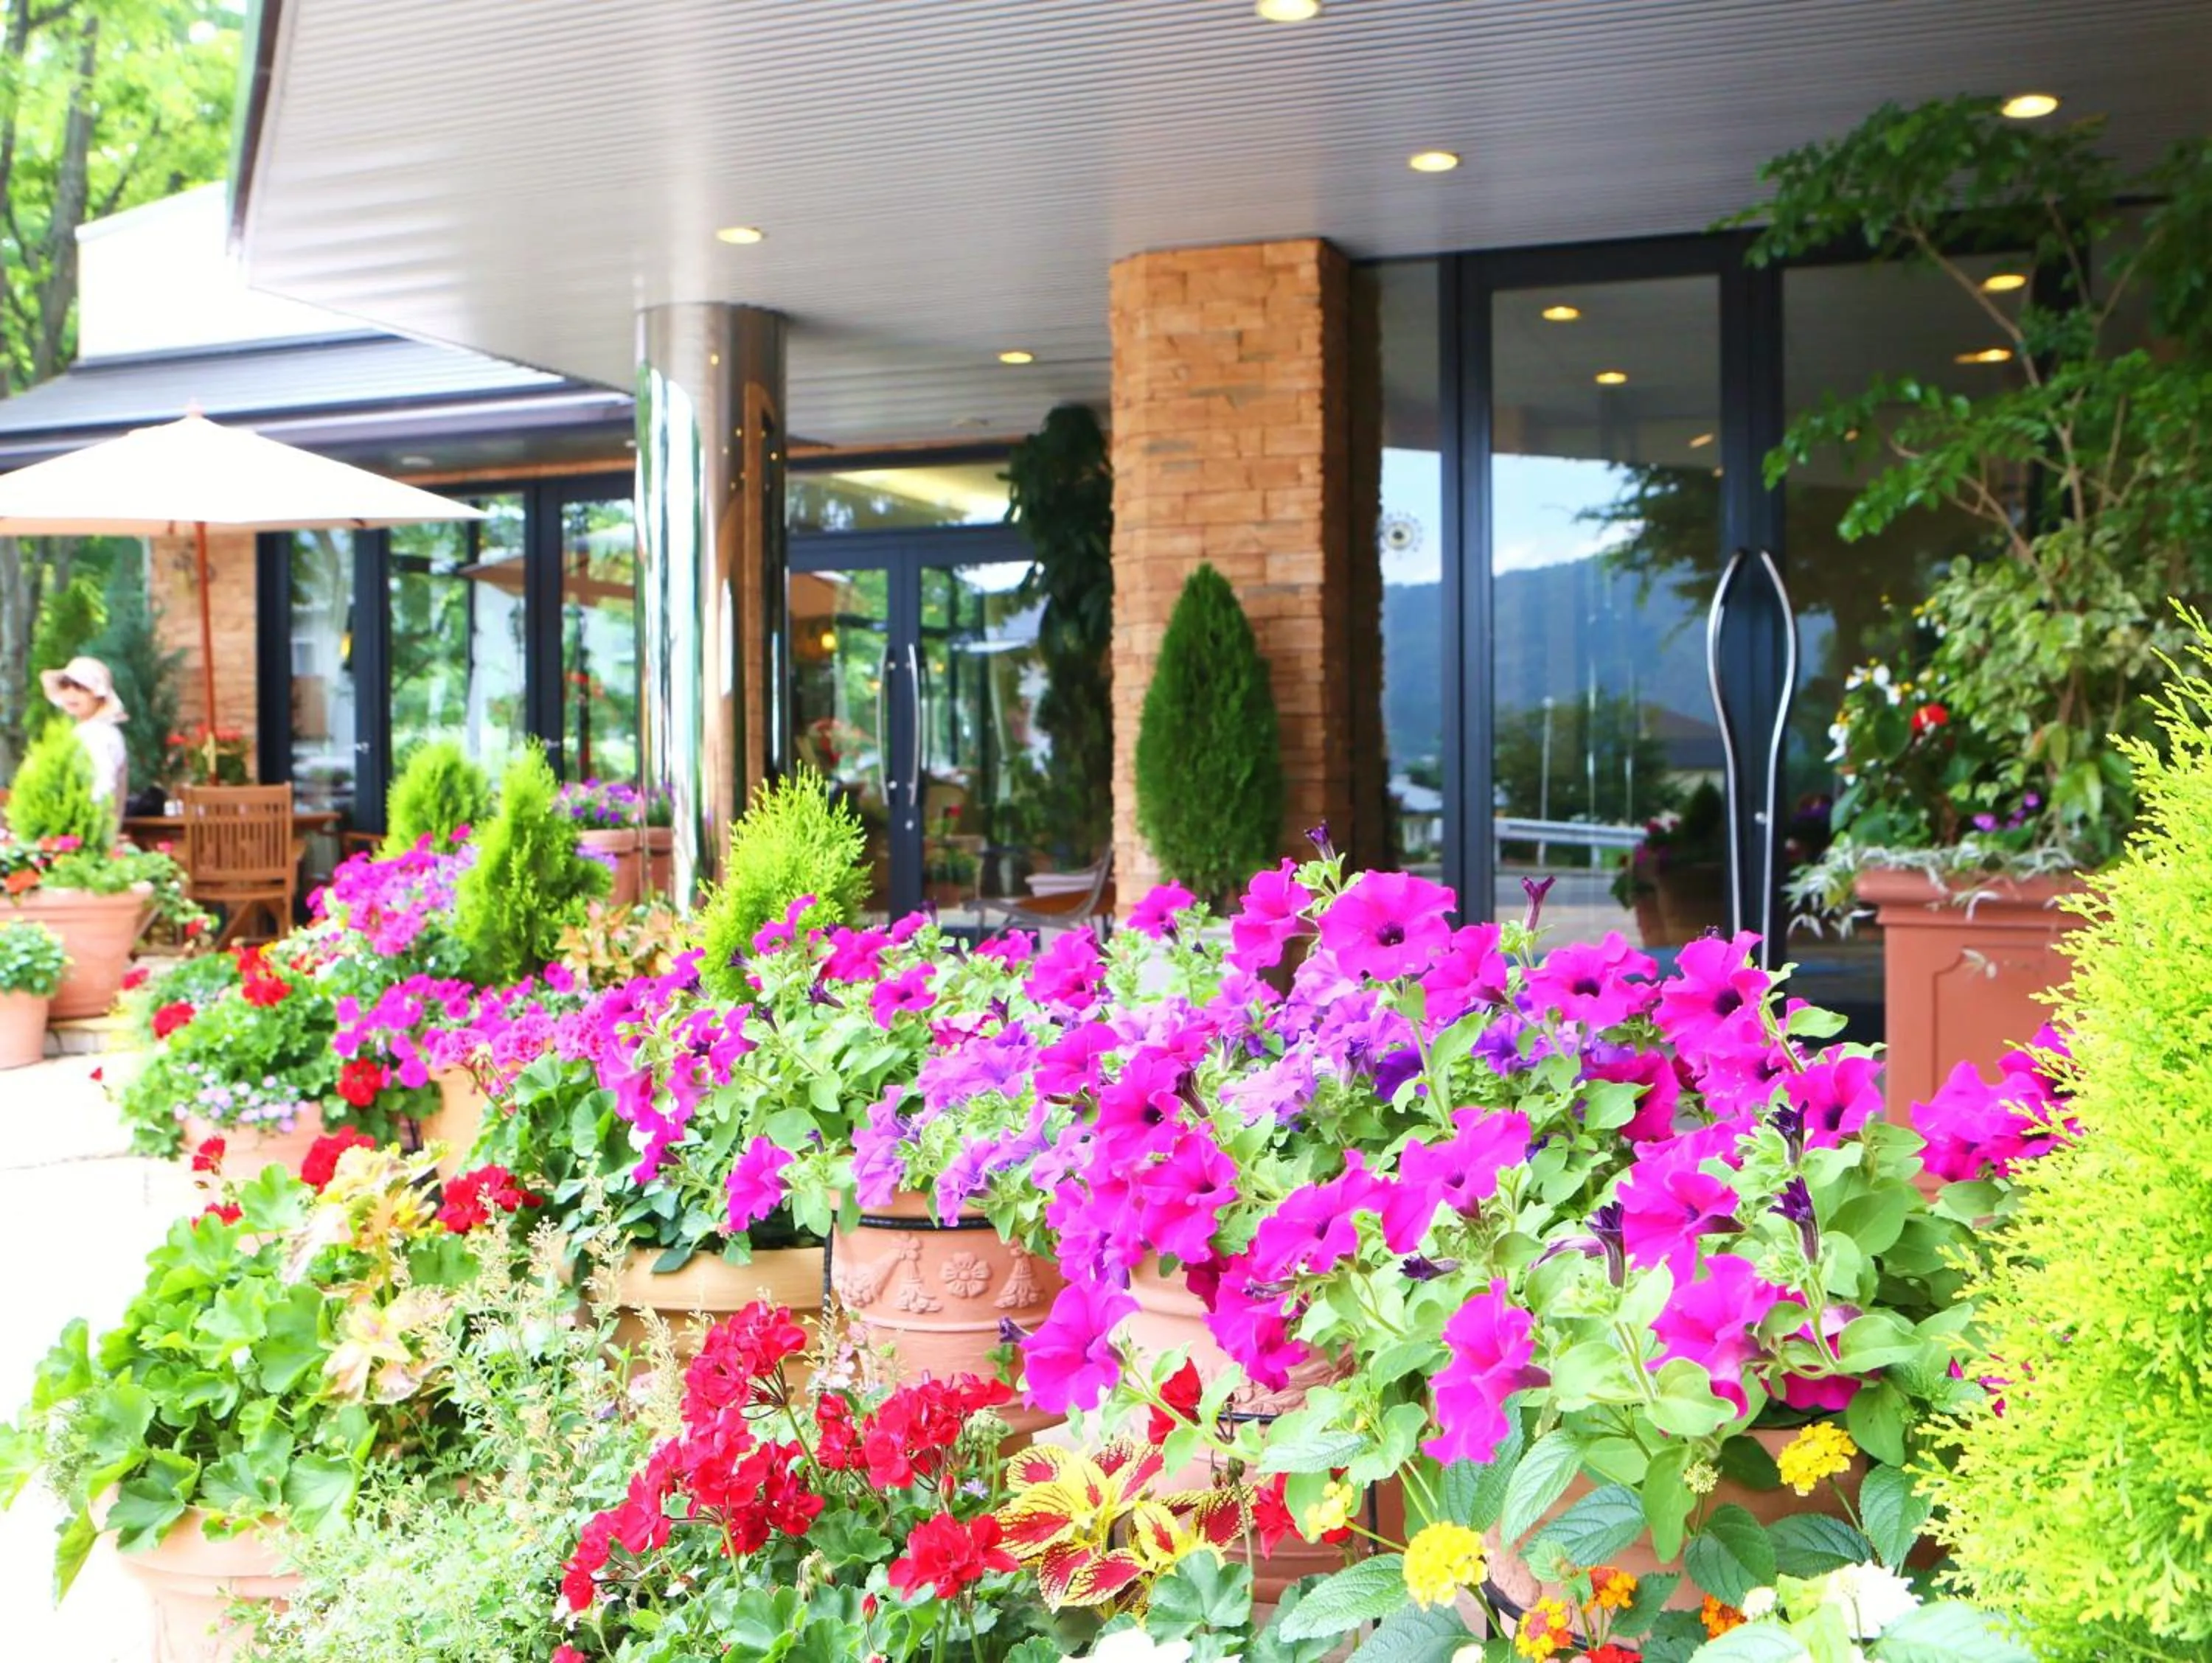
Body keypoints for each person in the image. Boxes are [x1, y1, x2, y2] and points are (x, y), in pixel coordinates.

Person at [39, 655, 129, 809]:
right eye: (66, 686)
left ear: (99, 696)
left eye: (81, 688)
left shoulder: (101, 734)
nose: (71, 694)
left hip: (91, 824)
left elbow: (102, 787)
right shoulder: (83, 730)